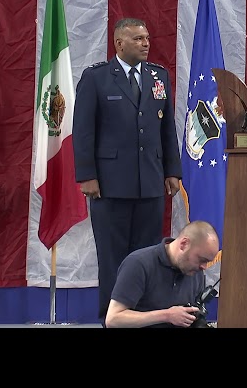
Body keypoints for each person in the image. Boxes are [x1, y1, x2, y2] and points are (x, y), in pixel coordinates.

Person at [73, 17, 183, 323]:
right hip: (109, 186)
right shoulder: (96, 78)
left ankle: (145, 318)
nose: (146, 43)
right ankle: (112, 319)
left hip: (149, 183)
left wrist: (172, 170)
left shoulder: (158, 76)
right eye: (138, 39)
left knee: (148, 256)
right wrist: (87, 175)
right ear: (119, 43)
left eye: (146, 38)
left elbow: (167, 129)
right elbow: (83, 132)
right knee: (113, 259)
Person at [105, 220, 219, 328]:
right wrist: (166, 316)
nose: (204, 267)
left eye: (207, 262)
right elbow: (113, 319)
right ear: (184, 244)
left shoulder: (195, 271)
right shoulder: (138, 264)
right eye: (201, 259)